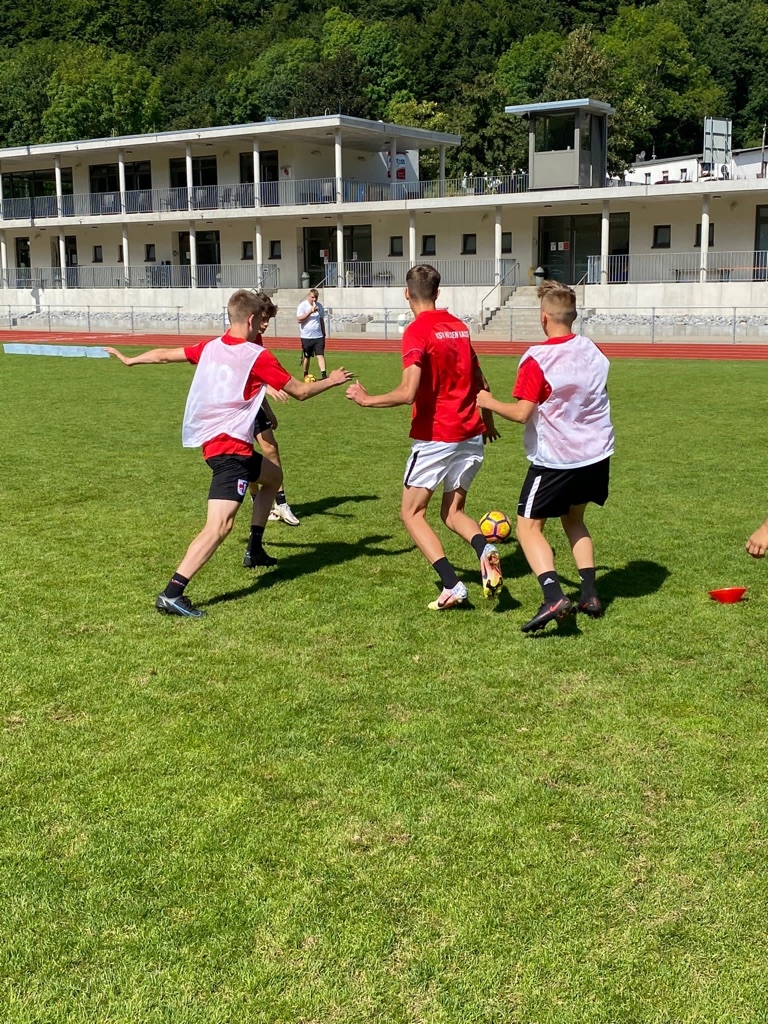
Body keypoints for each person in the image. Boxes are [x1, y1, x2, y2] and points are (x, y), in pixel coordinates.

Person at [104, 289, 352, 618]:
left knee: (272, 477)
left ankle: (255, 549)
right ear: (251, 319)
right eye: (261, 320)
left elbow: (164, 355)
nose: (262, 325)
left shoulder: (210, 347)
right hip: (230, 451)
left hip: (219, 445)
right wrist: (332, 380)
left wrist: (131, 359)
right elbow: (302, 392)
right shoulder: (257, 355)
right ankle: (172, 593)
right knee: (219, 526)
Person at [346, 263, 502, 610]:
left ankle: (452, 585)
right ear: (438, 292)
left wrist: (366, 399)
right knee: (453, 513)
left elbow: (408, 393)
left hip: (438, 436)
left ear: (406, 293)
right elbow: (483, 382)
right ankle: (485, 548)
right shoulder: (460, 327)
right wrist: (488, 423)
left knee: (412, 514)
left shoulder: (417, 331)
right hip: (470, 434)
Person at [477, 280, 615, 633]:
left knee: (528, 527)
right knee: (574, 520)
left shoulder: (537, 358)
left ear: (543, 318)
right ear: (573, 317)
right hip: (597, 453)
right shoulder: (592, 349)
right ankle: (590, 595)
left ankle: (553, 595)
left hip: (557, 458)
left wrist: (488, 401)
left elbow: (522, 413)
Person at [250, 293, 300, 528]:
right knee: (246, 454)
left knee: (270, 448)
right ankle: (256, 500)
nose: (266, 324)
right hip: (236, 408)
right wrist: (267, 388)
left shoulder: (257, 339)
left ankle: (280, 503)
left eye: (268, 319)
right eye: (263, 318)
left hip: (254, 403)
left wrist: (268, 410)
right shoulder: (241, 339)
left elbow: (257, 376)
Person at [296, 287, 327, 381]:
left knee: (320, 355)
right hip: (306, 336)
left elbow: (321, 320)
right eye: (312, 297)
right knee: (307, 356)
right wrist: (310, 311)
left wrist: (323, 332)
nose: (314, 299)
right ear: (309, 296)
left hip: (318, 336)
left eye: (316, 297)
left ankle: (324, 375)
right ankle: (305, 373)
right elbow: (299, 319)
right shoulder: (302, 306)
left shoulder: (319, 306)